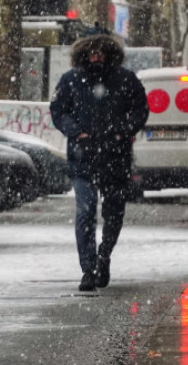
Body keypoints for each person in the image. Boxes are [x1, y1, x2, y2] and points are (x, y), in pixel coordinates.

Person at [49, 25, 149, 292]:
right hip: (82, 159)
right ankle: (88, 269)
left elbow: (141, 109)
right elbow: (58, 110)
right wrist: (76, 131)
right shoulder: (71, 80)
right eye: (92, 51)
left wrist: (122, 132)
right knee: (85, 211)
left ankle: (104, 256)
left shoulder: (125, 79)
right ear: (83, 53)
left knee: (114, 214)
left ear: (109, 52)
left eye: (101, 51)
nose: (96, 56)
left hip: (115, 158)